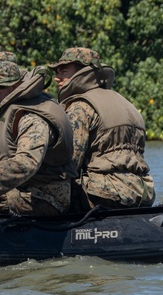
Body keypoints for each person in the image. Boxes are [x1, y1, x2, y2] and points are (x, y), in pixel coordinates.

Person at [0, 60, 75, 216]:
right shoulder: (12, 110)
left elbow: (27, 161)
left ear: (13, 87)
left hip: (44, 197)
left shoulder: (32, 117)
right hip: (23, 189)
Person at [49, 47, 155, 210]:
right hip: (143, 192)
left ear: (81, 73)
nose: (57, 78)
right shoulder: (126, 103)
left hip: (104, 194)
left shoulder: (80, 107)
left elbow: (69, 165)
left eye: (63, 71)